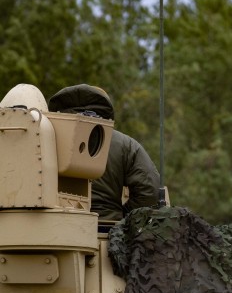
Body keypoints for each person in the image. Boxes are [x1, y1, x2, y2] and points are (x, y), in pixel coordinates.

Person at [48, 84, 161, 221]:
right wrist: (124, 216)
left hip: (55, 226)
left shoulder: (45, 136)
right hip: (108, 230)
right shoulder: (126, 144)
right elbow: (149, 190)